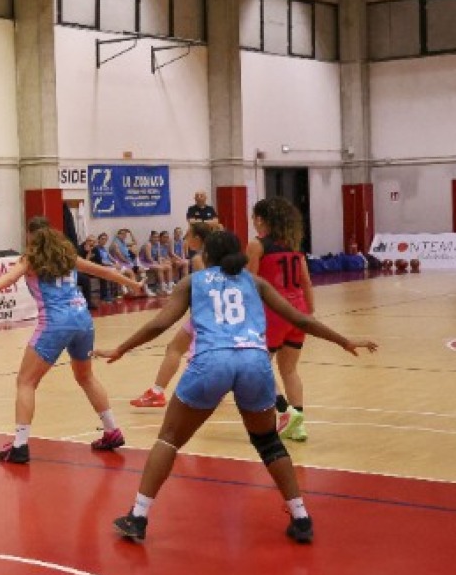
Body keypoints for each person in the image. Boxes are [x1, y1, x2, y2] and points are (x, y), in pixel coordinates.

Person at [95, 230, 376, 543]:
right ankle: (301, 517)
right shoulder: (255, 283)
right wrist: (344, 341)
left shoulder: (193, 282)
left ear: (207, 256)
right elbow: (301, 319)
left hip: (212, 361)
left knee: (169, 439)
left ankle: (138, 517)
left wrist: (121, 348)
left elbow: (160, 323)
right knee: (268, 443)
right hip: (254, 361)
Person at [0, 221, 143, 462]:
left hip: (56, 323)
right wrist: (133, 284)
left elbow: (8, 279)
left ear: (30, 236)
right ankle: (112, 430)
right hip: (83, 320)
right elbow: (103, 271)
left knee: (25, 381)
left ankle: (20, 445)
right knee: (86, 377)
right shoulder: (68, 256)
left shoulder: (30, 259)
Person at [129, 222, 219, 408]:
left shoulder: (199, 258)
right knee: (179, 349)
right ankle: (159, 392)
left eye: (188, 235)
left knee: (182, 351)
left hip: (207, 313)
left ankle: (160, 392)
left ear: (197, 238)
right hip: (219, 312)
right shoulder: (218, 254)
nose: (185, 238)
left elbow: (208, 288)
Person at [247, 198, 314, 442]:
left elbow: (249, 282)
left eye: (254, 218)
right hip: (297, 311)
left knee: (258, 366)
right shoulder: (293, 245)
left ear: (260, 219)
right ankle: (298, 424)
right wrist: (308, 313)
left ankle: (285, 411)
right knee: (290, 370)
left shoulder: (256, 245)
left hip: (273, 311)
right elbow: (306, 282)